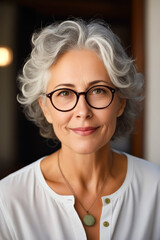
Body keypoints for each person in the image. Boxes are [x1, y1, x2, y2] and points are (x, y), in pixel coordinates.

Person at [0, 19, 160, 240]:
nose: (82, 111)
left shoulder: (156, 188)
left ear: (120, 102)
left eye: (98, 90)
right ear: (45, 108)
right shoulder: (7, 200)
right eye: (65, 93)